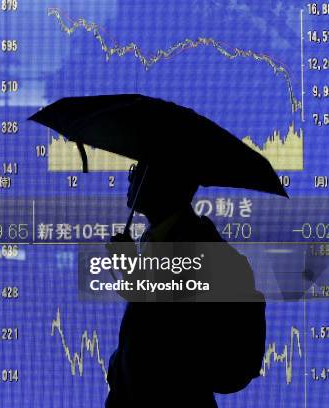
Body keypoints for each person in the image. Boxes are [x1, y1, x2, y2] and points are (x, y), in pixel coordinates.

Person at [105, 161, 266, 407]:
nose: (131, 179)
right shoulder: (156, 241)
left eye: (139, 170)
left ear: (165, 183)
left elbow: (171, 339)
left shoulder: (214, 258)